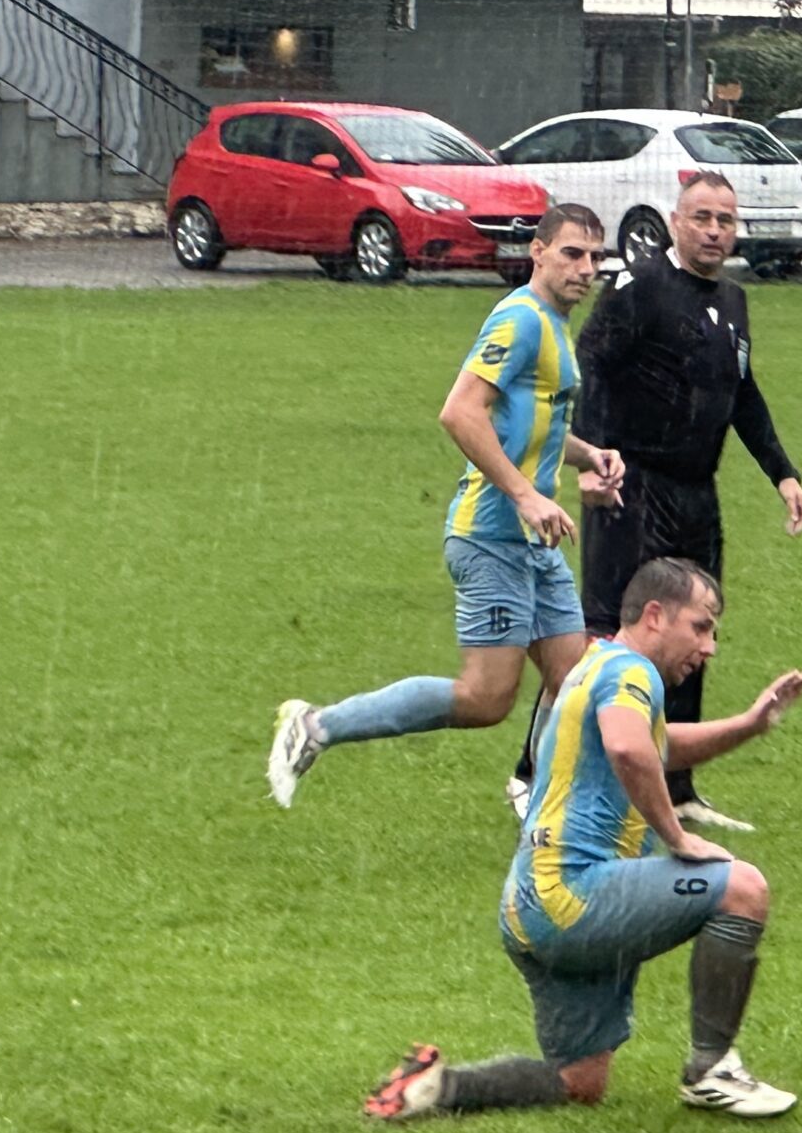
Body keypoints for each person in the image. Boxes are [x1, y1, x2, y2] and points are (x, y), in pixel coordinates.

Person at [363, 557, 802, 1121]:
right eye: (701, 627)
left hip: (529, 905)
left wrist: (749, 724)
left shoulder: (597, 665)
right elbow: (628, 747)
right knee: (742, 888)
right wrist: (678, 837)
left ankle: (437, 1088)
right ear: (655, 615)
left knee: (580, 1081)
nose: (710, 647)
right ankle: (713, 1070)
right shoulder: (633, 672)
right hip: (573, 896)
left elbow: (653, 745)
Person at [267, 204, 624, 807]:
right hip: (491, 537)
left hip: (533, 540)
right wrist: (524, 495)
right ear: (537, 252)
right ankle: (316, 725)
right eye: (572, 254)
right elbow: (460, 412)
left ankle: (539, 804)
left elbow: (528, 424)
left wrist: (589, 455)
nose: (586, 268)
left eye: (595, 257)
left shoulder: (553, 324)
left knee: (573, 679)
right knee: (485, 698)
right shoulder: (521, 320)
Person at [507, 171, 802, 832]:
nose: (714, 231)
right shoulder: (639, 288)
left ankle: (677, 788)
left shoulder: (732, 300)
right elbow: (590, 369)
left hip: (697, 493)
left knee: (694, 631)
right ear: (675, 222)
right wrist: (593, 464)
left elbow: (742, 392)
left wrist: (782, 474)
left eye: (725, 220)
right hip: (631, 487)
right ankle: (530, 775)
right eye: (701, 217)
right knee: (599, 639)